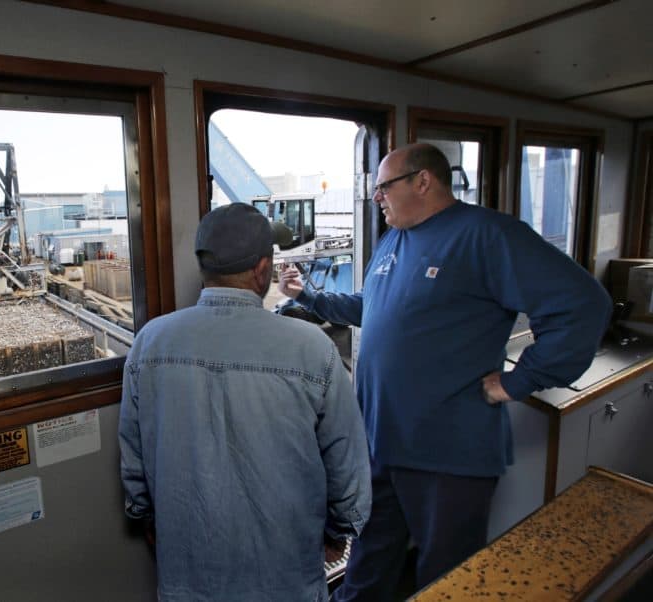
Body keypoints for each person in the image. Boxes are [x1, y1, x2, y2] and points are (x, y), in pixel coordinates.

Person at [278, 143, 613, 599]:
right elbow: (372, 308)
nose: (376, 197)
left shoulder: (488, 236)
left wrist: (519, 381)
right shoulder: (394, 238)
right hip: (383, 440)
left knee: (446, 575)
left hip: (449, 450)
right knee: (370, 557)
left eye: (383, 187)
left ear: (423, 181)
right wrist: (308, 297)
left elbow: (584, 305)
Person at [118, 202, 372, 602]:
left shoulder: (150, 341)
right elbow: (347, 464)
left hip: (188, 575)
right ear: (261, 270)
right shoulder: (311, 349)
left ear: (204, 267)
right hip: (286, 578)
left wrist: (145, 515)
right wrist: (340, 531)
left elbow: (133, 455)